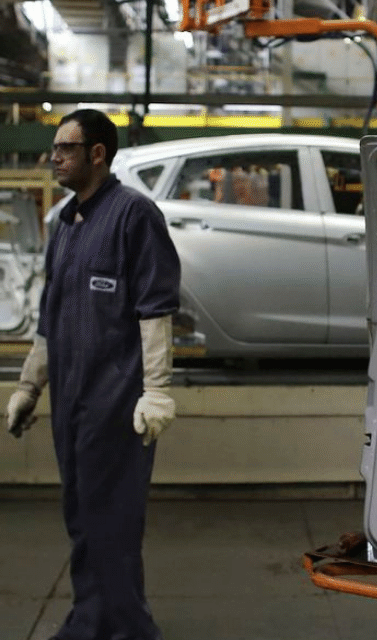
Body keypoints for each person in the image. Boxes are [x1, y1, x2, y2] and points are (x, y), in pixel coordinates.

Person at [6, 109, 180, 640]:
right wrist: (29, 386)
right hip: (71, 403)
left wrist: (157, 391)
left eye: (66, 148)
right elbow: (49, 318)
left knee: (113, 523)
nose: (54, 157)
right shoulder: (65, 222)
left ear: (97, 154)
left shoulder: (134, 216)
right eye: (55, 148)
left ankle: (127, 629)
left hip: (115, 402)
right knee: (82, 519)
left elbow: (155, 310)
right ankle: (91, 621)